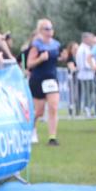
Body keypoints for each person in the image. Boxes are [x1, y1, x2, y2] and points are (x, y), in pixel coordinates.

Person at [26, 18, 61, 146]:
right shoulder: (36, 45)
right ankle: (32, 129)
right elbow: (29, 64)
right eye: (46, 29)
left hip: (51, 79)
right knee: (39, 111)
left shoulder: (56, 44)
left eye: (51, 28)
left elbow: (58, 58)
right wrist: (40, 59)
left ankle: (52, 137)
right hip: (38, 79)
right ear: (40, 30)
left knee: (53, 106)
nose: (50, 31)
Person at [75, 33, 96, 117]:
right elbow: (85, 63)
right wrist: (93, 67)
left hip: (88, 74)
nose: (92, 40)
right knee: (88, 92)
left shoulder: (86, 48)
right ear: (85, 39)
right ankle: (86, 108)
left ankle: (87, 107)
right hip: (85, 75)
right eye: (90, 38)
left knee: (91, 92)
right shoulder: (83, 49)